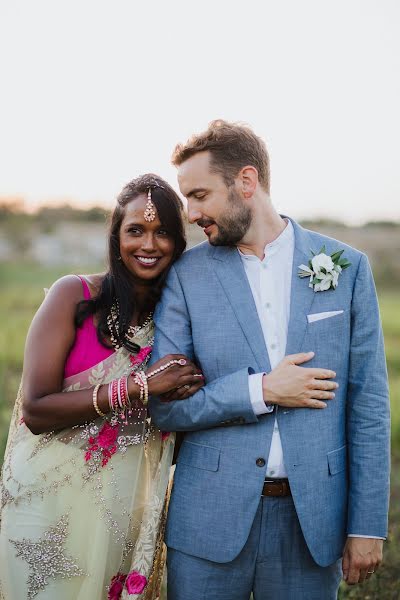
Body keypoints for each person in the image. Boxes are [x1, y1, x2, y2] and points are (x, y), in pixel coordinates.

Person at [149, 121, 390, 600]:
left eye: (199, 195)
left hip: (312, 525)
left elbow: (369, 409)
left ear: (246, 181)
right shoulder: (185, 278)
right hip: (207, 524)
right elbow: (166, 407)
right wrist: (261, 390)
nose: (191, 214)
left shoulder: (347, 268)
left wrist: (368, 526)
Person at [0, 174, 203, 600]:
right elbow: (36, 410)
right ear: (116, 235)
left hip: (124, 510)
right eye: (136, 230)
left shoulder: (180, 320)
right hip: (46, 506)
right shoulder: (72, 294)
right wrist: (137, 387)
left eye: (163, 232)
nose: (148, 245)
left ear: (179, 243)